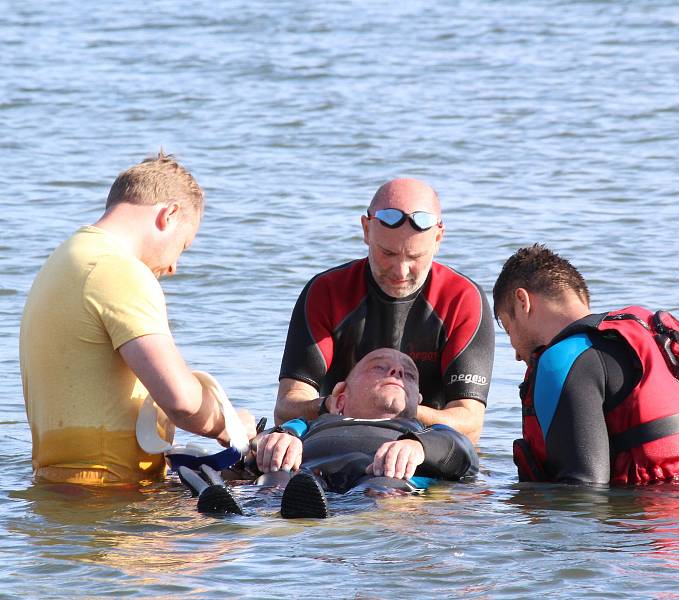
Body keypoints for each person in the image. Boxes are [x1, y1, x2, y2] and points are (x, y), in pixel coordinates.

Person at [19, 151, 256, 486]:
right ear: (169, 215)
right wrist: (230, 424)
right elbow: (182, 401)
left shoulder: (64, 260)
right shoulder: (118, 270)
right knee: (244, 534)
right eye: (183, 247)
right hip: (110, 496)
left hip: (55, 485)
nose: (174, 267)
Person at [492, 244, 679, 486]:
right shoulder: (650, 338)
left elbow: (582, 493)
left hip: (647, 522)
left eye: (507, 327)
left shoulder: (562, 359)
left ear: (522, 301)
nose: (515, 352)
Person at [275, 178, 494, 444]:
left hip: (425, 449)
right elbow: (286, 407)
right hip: (338, 440)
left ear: (438, 238)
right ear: (366, 230)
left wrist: (400, 411)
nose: (401, 271)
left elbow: (470, 425)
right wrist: (332, 405)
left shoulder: (461, 298)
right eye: (387, 253)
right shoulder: (327, 292)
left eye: (414, 257)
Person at [182, 348, 478, 518]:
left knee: (383, 489)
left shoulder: (426, 433)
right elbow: (261, 442)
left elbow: (462, 452)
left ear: (417, 401)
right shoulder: (308, 426)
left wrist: (419, 448)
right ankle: (246, 510)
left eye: (409, 374)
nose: (397, 373)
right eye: (380, 368)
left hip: (376, 485)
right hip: (304, 480)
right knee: (280, 473)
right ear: (340, 397)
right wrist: (277, 440)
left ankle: (342, 512)